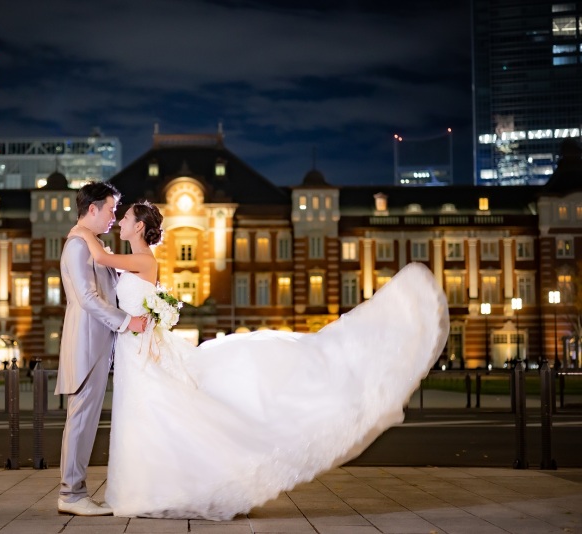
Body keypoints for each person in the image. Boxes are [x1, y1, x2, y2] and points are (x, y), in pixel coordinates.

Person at [69, 199, 450, 521]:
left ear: (139, 227)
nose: (118, 221)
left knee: (154, 413)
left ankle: (157, 489)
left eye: (125, 217)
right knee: (147, 416)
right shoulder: (132, 259)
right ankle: (147, 489)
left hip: (140, 351)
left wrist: (82, 230)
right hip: (137, 350)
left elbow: (99, 256)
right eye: (117, 215)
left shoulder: (141, 260)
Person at [55, 182, 147, 517]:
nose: (113, 216)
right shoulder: (78, 245)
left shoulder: (91, 244)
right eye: (110, 209)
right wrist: (127, 322)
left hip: (96, 345)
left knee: (85, 420)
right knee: (80, 421)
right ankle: (71, 493)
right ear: (92, 208)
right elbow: (88, 298)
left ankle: (74, 491)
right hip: (86, 345)